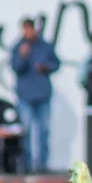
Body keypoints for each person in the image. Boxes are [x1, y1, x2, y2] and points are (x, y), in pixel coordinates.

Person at [10, 18, 61, 173]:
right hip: (25, 96)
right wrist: (22, 55)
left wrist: (47, 67)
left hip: (43, 95)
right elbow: (15, 67)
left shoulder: (44, 46)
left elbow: (56, 63)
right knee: (26, 131)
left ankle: (42, 165)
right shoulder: (18, 47)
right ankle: (26, 165)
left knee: (43, 131)